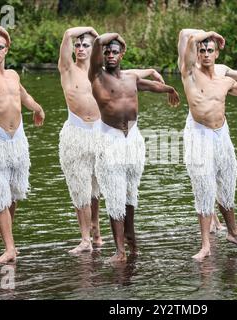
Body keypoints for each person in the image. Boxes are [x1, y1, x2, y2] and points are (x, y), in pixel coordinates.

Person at [58, 27, 167, 254]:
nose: (80, 48)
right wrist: (90, 31)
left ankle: (97, 232)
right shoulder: (68, 68)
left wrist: (152, 71)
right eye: (77, 45)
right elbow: (68, 34)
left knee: (100, 187)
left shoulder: (102, 71)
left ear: (93, 49)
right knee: (81, 187)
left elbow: (130, 74)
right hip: (76, 133)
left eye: (85, 45)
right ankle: (85, 238)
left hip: (100, 132)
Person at [88, 33, 180, 263]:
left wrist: (169, 89)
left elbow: (150, 86)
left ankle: (132, 240)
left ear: (122, 54)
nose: (110, 55)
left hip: (133, 139)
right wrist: (116, 36)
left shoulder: (131, 78)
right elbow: (98, 43)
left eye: (114, 51)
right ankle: (119, 250)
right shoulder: (96, 75)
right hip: (111, 139)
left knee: (130, 194)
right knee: (114, 195)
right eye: (107, 52)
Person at [179, 29, 237, 261]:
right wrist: (209, 34)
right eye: (202, 51)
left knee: (227, 189)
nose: (205, 54)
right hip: (199, 136)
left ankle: (234, 233)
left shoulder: (225, 80)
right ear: (197, 54)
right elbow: (186, 37)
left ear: (216, 54)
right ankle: (206, 244)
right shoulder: (190, 74)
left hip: (222, 136)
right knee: (204, 190)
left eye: (210, 50)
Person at [0, 26, 45, 264]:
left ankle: (4, 228)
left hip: (18, 142)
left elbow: (22, 95)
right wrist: (1, 29)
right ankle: (10, 248)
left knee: (15, 193)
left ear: (6, 49)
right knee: (0, 196)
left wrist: (37, 108)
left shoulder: (13, 75)